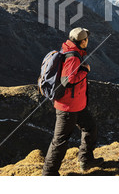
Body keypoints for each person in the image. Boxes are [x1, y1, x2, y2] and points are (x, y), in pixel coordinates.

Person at [42, 27, 104, 175]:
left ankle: (85, 159)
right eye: (86, 40)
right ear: (82, 41)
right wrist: (85, 70)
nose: (88, 42)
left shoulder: (68, 50)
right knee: (60, 141)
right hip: (67, 107)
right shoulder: (73, 56)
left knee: (90, 128)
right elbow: (67, 80)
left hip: (77, 105)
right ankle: (49, 174)